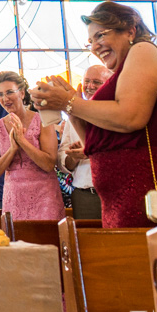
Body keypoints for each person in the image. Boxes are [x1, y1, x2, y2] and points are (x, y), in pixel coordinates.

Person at [34, 1, 157, 228]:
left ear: (130, 30)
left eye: (101, 35)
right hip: (122, 198)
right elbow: (95, 144)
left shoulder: (143, 50)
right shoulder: (124, 70)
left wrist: (70, 102)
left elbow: (130, 117)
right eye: (90, 41)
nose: (95, 46)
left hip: (147, 192)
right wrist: (71, 108)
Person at [0, 71, 64, 222]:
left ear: (22, 93)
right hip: (14, 196)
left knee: (48, 242)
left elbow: (49, 164)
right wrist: (12, 149)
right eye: (0, 94)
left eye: (10, 92)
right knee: (18, 243)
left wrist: (22, 141)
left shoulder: (42, 120)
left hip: (45, 196)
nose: (5, 98)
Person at [59, 65, 114, 219]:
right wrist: (74, 157)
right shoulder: (73, 115)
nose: (89, 86)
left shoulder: (117, 112)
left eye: (96, 82)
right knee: (84, 239)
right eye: (87, 81)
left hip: (115, 190)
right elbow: (63, 161)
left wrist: (91, 153)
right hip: (84, 195)